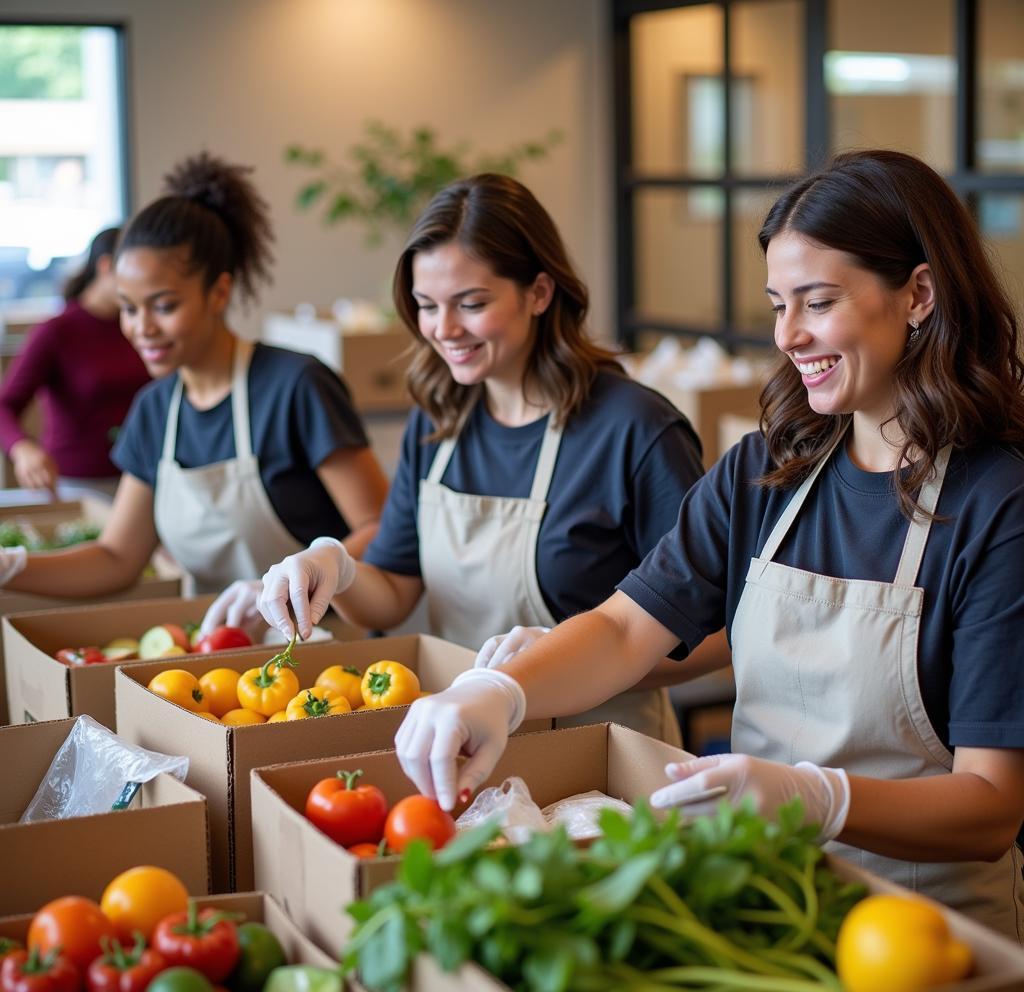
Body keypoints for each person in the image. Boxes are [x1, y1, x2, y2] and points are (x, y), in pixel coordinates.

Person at [385, 150, 1024, 940]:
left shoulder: (1000, 502)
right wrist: (501, 694)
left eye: (817, 302)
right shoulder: (766, 470)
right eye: (777, 304)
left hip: (923, 932)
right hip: (754, 899)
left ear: (919, 293)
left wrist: (821, 798)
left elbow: (991, 806)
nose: (789, 335)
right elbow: (625, 629)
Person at [257, 173, 725, 742]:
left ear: (539, 293)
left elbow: (718, 636)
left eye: (471, 304)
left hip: (602, 754)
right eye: (427, 306)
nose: (444, 329)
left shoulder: (633, 428)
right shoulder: (438, 420)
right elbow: (393, 595)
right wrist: (337, 568)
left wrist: (554, 666)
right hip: (457, 745)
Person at [0, 152, 389, 631]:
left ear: (219, 293)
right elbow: (116, 557)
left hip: (329, 651)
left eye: (163, 306)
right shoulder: (155, 410)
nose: (142, 328)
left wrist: (306, 574)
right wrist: (11, 566)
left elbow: (380, 530)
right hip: (217, 662)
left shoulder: (296, 386)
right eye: (128, 307)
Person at [0, 227, 150, 499]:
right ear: (106, 266)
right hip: (77, 484)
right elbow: (4, 405)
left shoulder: (142, 327)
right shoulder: (57, 331)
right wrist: (23, 449)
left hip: (142, 478)